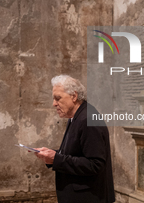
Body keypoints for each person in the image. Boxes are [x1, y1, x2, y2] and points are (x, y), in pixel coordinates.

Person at [34, 75, 115, 203]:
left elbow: (95, 164)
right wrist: (53, 154)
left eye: (58, 98)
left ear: (74, 96)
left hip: (88, 197)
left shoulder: (88, 119)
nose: (54, 104)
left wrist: (57, 159)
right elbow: (77, 152)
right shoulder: (76, 116)